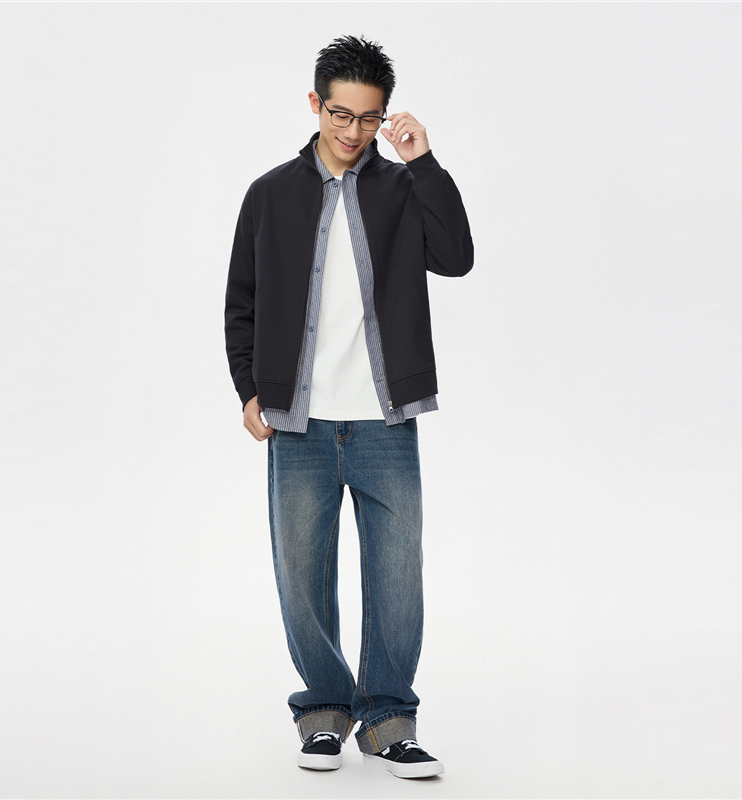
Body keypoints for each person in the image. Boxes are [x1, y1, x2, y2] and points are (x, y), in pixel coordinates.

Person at [224, 34, 473, 780]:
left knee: (397, 578)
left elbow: (456, 257)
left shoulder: (402, 187)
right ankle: (325, 712)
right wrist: (249, 389)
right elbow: (241, 301)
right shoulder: (269, 193)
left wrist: (423, 162)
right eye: (340, 114)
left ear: (383, 115)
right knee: (302, 576)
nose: (353, 131)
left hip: (384, 418)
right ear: (315, 104)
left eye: (369, 118)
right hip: (298, 420)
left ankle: (390, 721)